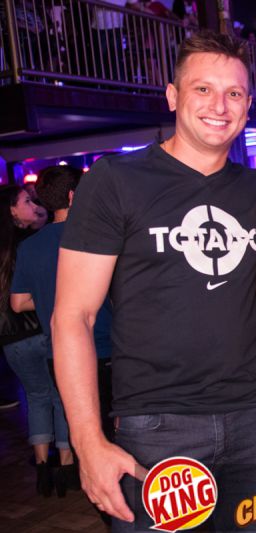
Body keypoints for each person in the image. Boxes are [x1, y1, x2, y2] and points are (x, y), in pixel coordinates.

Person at [52, 30, 256, 531]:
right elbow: (73, 317)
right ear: (173, 96)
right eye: (203, 89)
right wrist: (88, 442)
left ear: (247, 107)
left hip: (252, 421)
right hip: (158, 429)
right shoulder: (116, 180)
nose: (219, 106)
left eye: (234, 93)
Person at [11, 165, 115, 499]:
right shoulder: (98, 235)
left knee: (80, 422)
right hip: (105, 345)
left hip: (61, 352)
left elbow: (18, 303)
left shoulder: (30, 246)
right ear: (74, 196)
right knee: (115, 424)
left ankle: (94, 487)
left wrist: (52, 300)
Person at [0, 184, 53, 496]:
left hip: (11, 340)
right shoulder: (29, 244)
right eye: (26, 201)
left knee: (36, 398)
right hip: (38, 330)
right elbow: (23, 300)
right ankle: (67, 463)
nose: (33, 205)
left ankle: (42, 465)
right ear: (10, 210)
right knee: (56, 397)